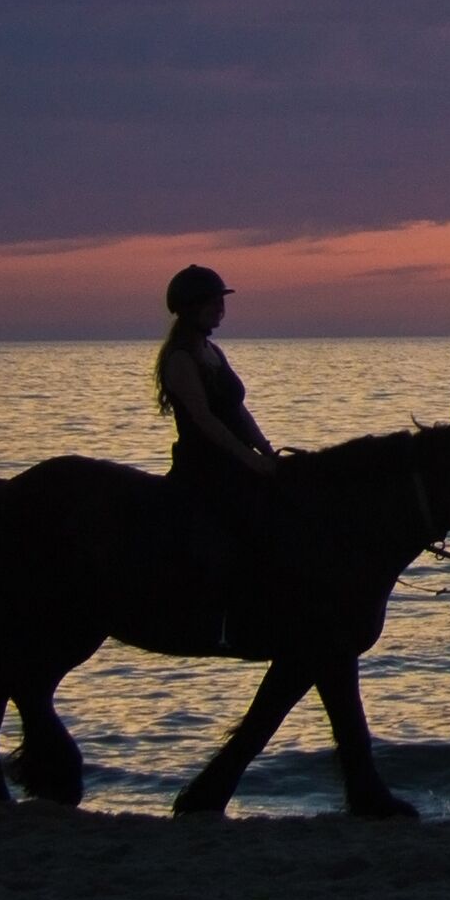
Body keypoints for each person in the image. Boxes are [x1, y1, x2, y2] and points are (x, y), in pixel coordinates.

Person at [152, 265, 285, 645]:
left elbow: (237, 409)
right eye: (212, 302)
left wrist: (266, 449)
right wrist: (249, 460)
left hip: (235, 460)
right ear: (191, 307)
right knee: (233, 528)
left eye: (220, 302)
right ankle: (222, 616)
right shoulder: (180, 359)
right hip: (203, 467)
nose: (219, 309)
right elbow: (205, 420)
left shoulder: (213, 351)